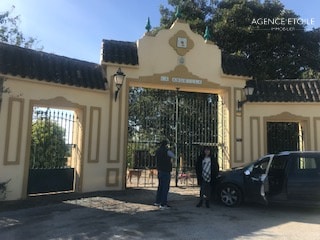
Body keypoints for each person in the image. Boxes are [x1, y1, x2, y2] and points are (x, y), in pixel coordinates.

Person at [154, 140, 175, 210]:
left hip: (160, 170)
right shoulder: (167, 151)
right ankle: (163, 204)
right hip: (166, 170)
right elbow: (173, 156)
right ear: (166, 145)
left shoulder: (158, 150)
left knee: (160, 186)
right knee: (165, 188)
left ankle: (157, 201)